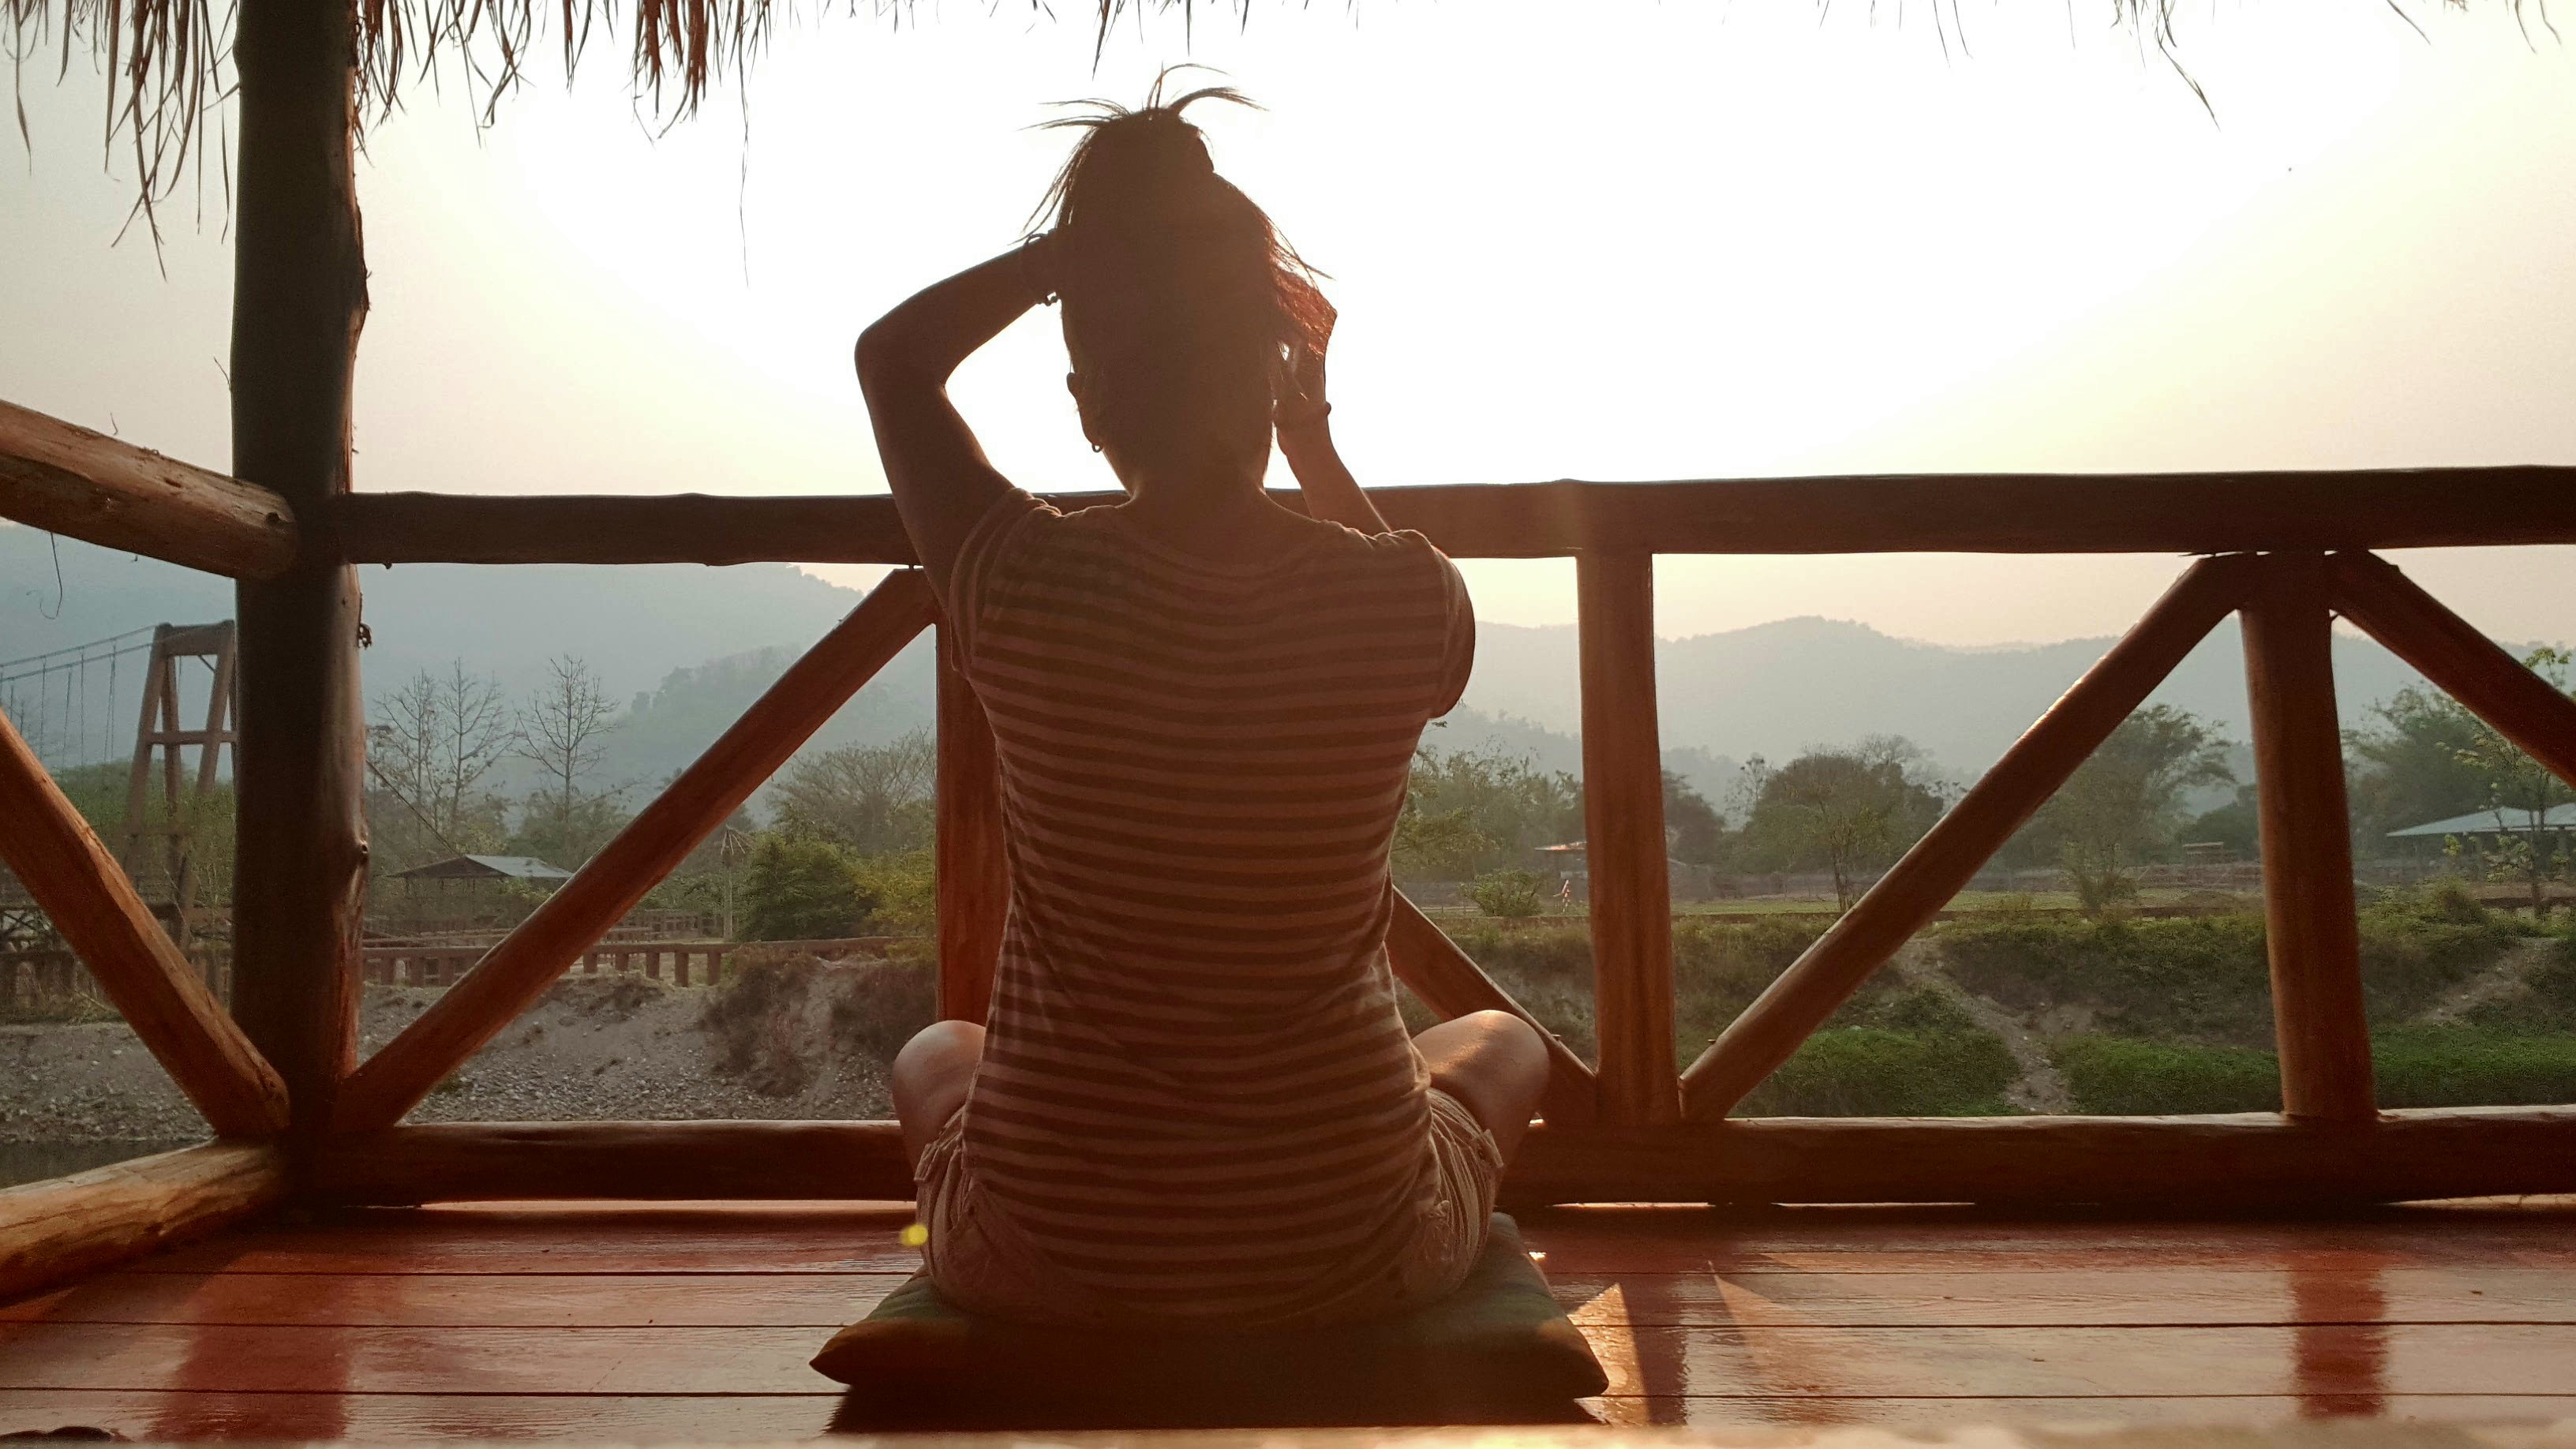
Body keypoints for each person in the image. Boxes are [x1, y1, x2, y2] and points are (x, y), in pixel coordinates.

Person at [854, 81, 1548, 1331]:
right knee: (1501, 1040)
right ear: (1266, 382)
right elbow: (1434, 664)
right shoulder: (1406, 597)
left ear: (1087, 404)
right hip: (1351, 1251)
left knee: (937, 1050)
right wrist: (1314, 439)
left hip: (1043, 1259)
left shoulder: (1018, 577)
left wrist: (1066, 261)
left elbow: (892, 361)